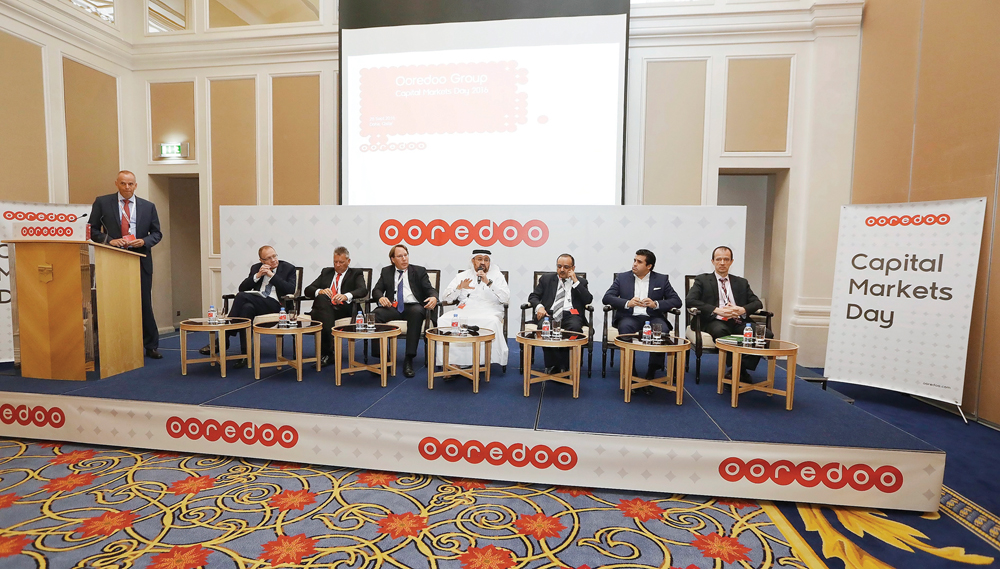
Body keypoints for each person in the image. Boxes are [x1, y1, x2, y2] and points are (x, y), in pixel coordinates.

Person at [88, 170, 163, 359]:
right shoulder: (103, 202)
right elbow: (92, 229)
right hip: (113, 258)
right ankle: (116, 342)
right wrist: (109, 240)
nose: (127, 187)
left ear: (135, 185)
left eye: (130, 184)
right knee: (114, 301)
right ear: (116, 184)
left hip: (140, 259)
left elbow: (157, 234)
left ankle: (151, 345)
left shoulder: (148, 206)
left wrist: (144, 241)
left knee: (144, 301)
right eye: (123, 184)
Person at [686, 245, 771, 382]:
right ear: (712, 261)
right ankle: (739, 371)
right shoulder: (702, 280)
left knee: (766, 334)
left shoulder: (741, 282)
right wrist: (716, 310)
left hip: (738, 321)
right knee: (721, 330)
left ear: (731, 262)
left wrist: (742, 309)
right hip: (713, 320)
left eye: (726, 259)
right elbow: (690, 300)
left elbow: (756, 303)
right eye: (718, 259)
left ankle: (738, 369)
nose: (722, 263)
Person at [202, 245, 296, 368]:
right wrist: (257, 276)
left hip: (276, 304)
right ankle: (245, 356)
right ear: (262, 261)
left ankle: (224, 337)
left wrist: (271, 276)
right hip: (258, 302)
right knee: (247, 308)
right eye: (268, 258)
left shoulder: (288, 268)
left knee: (241, 297)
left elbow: (290, 289)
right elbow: (243, 288)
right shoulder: (256, 268)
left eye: (274, 256)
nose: (273, 260)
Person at [603, 249, 681, 380]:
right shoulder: (622, 278)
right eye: (634, 260)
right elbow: (607, 298)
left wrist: (655, 304)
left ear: (649, 266)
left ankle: (652, 371)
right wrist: (628, 302)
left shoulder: (661, 280)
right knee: (625, 328)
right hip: (629, 316)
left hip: (653, 317)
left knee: (662, 330)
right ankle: (631, 372)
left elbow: (676, 301)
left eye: (639, 262)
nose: (634, 264)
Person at [371, 244, 438, 378]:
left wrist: (434, 297)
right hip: (394, 307)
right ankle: (384, 357)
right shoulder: (386, 271)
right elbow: (376, 290)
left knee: (416, 312)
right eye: (400, 256)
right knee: (376, 314)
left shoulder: (418, 271)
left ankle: (409, 358)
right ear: (392, 259)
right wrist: (381, 297)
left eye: (406, 255)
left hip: (413, 306)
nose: (404, 259)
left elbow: (429, 289)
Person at [438, 249, 510, 368]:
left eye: (486, 260)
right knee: (445, 319)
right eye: (479, 259)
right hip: (465, 309)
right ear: (473, 261)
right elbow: (446, 297)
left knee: (491, 322)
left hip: (490, 310)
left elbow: (505, 298)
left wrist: (488, 282)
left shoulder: (497, 276)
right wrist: (459, 288)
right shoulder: (462, 276)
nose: (483, 263)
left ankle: (480, 363)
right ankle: (453, 363)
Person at [528, 254, 592, 375]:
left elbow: (588, 300)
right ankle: (553, 364)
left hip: (572, 314)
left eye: (566, 267)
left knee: (575, 329)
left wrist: (575, 281)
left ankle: (565, 365)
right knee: (544, 328)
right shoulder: (546, 279)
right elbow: (533, 296)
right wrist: (539, 307)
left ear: (573, 268)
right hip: (550, 313)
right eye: (559, 266)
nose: (562, 270)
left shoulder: (581, 282)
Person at [304, 246, 369, 366]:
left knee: (319, 312)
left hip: (345, 309)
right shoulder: (326, 272)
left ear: (348, 262)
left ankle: (327, 353)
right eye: (335, 262)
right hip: (327, 308)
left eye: (341, 262)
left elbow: (363, 290)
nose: (338, 265)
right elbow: (308, 290)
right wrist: (320, 291)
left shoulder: (355, 273)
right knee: (322, 299)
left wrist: (346, 296)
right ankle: (328, 352)